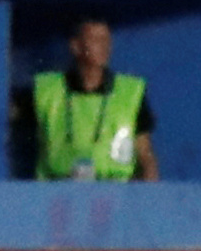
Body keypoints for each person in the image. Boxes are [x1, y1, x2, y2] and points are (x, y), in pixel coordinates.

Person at [27, 17, 158, 181]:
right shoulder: (47, 90)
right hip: (57, 194)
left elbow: (145, 155)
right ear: (75, 47)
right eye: (95, 39)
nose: (104, 46)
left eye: (107, 40)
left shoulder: (130, 92)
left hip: (115, 195)